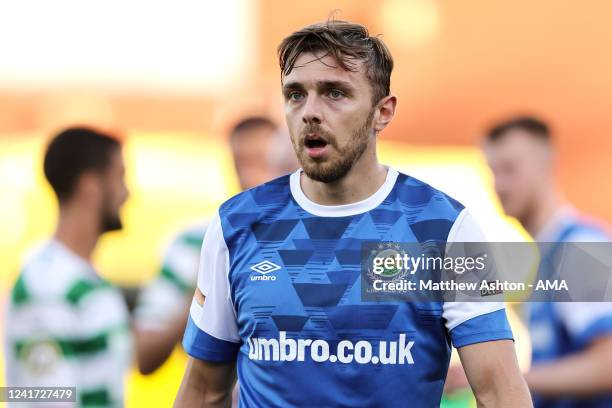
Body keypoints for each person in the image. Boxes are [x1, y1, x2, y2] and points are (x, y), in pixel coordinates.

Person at [175, 20, 532, 407]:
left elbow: (500, 394)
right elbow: (203, 392)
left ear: (383, 111)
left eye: (334, 93)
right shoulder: (237, 224)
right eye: (295, 95)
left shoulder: (445, 228)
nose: (310, 112)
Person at [134, 117, 297, 375]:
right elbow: (146, 354)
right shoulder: (195, 241)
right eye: (239, 163)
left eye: (260, 162)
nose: (248, 175)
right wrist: (208, 286)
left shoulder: (316, 242)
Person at [484, 116, 612, 407]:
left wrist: (504, 380)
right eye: (492, 171)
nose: (498, 185)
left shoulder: (579, 247)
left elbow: (609, 364)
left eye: (510, 169)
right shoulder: (548, 256)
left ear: (545, 167)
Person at [4, 127, 131, 407]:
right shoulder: (47, 286)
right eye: (120, 177)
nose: (127, 194)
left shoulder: (80, 277)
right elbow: (41, 397)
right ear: (90, 185)